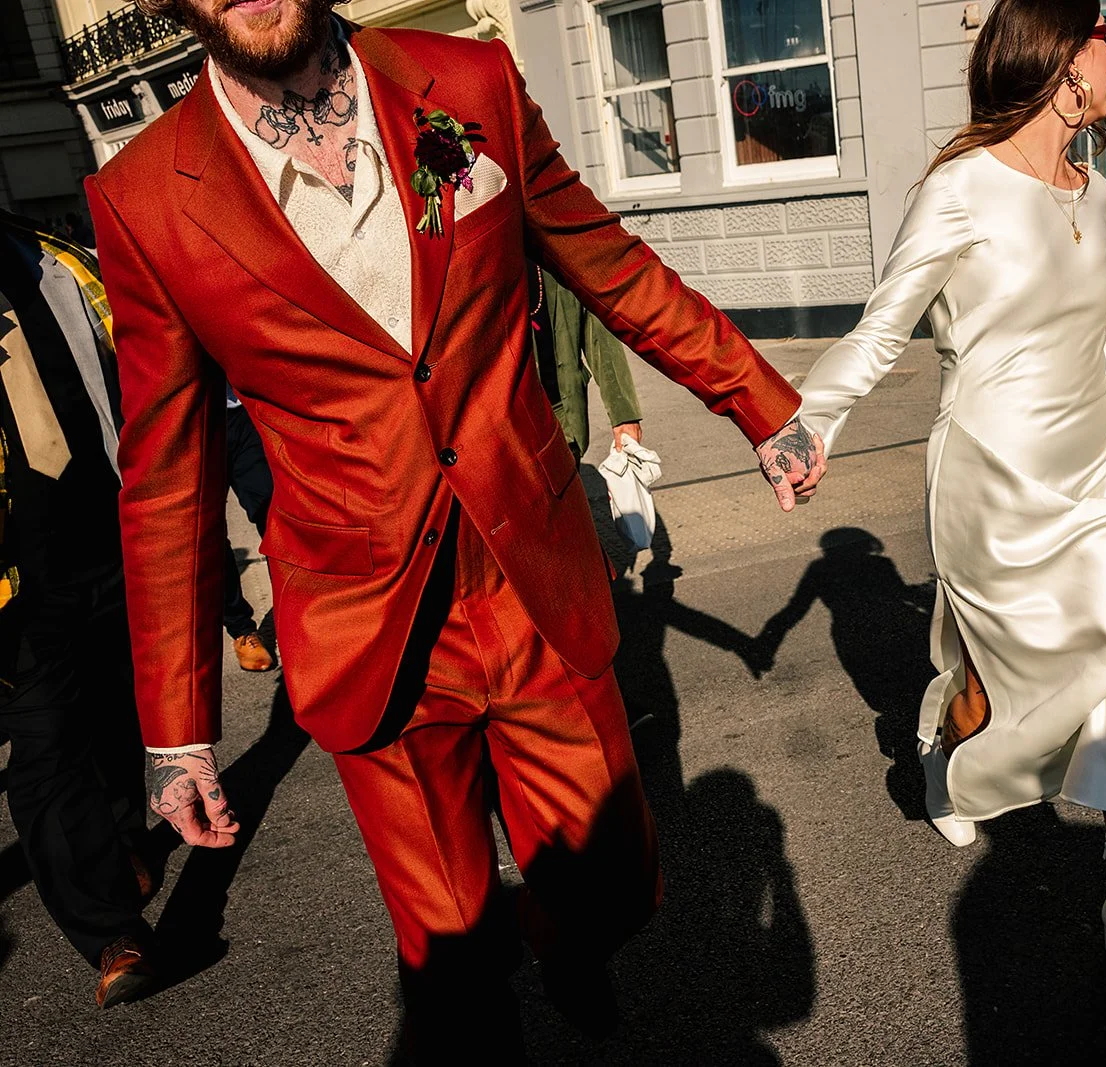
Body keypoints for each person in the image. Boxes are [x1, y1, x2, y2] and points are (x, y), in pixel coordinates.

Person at [85, 0, 824, 1057]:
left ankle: (564, 934)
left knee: (621, 883)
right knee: (450, 958)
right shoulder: (144, 193)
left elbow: (603, 260)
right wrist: (177, 727)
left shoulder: (464, 85)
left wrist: (755, 396)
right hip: (362, 621)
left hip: (529, 573)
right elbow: (164, 470)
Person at [796, 0, 1106, 1021]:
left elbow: (1090, 342)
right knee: (1006, 690)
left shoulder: (1096, 190)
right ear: (1059, 53)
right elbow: (881, 331)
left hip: (1097, 481)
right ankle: (949, 754)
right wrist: (807, 424)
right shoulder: (960, 189)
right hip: (994, 479)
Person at [0, 209, 159, 1008]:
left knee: (115, 710)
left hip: (108, 529)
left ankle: (123, 839)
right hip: (12, 578)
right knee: (46, 745)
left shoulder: (54, 257)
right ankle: (109, 927)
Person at [529, 263, 643, 460]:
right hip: (505, 429)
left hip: (563, 419)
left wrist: (624, 416)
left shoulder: (559, 252)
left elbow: (598, 332)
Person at [220, 384, 278, 671]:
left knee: (272, 508)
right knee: (208, 534)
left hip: (237, 409)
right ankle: (242, 630)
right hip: (187, 423)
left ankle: (297, 612)